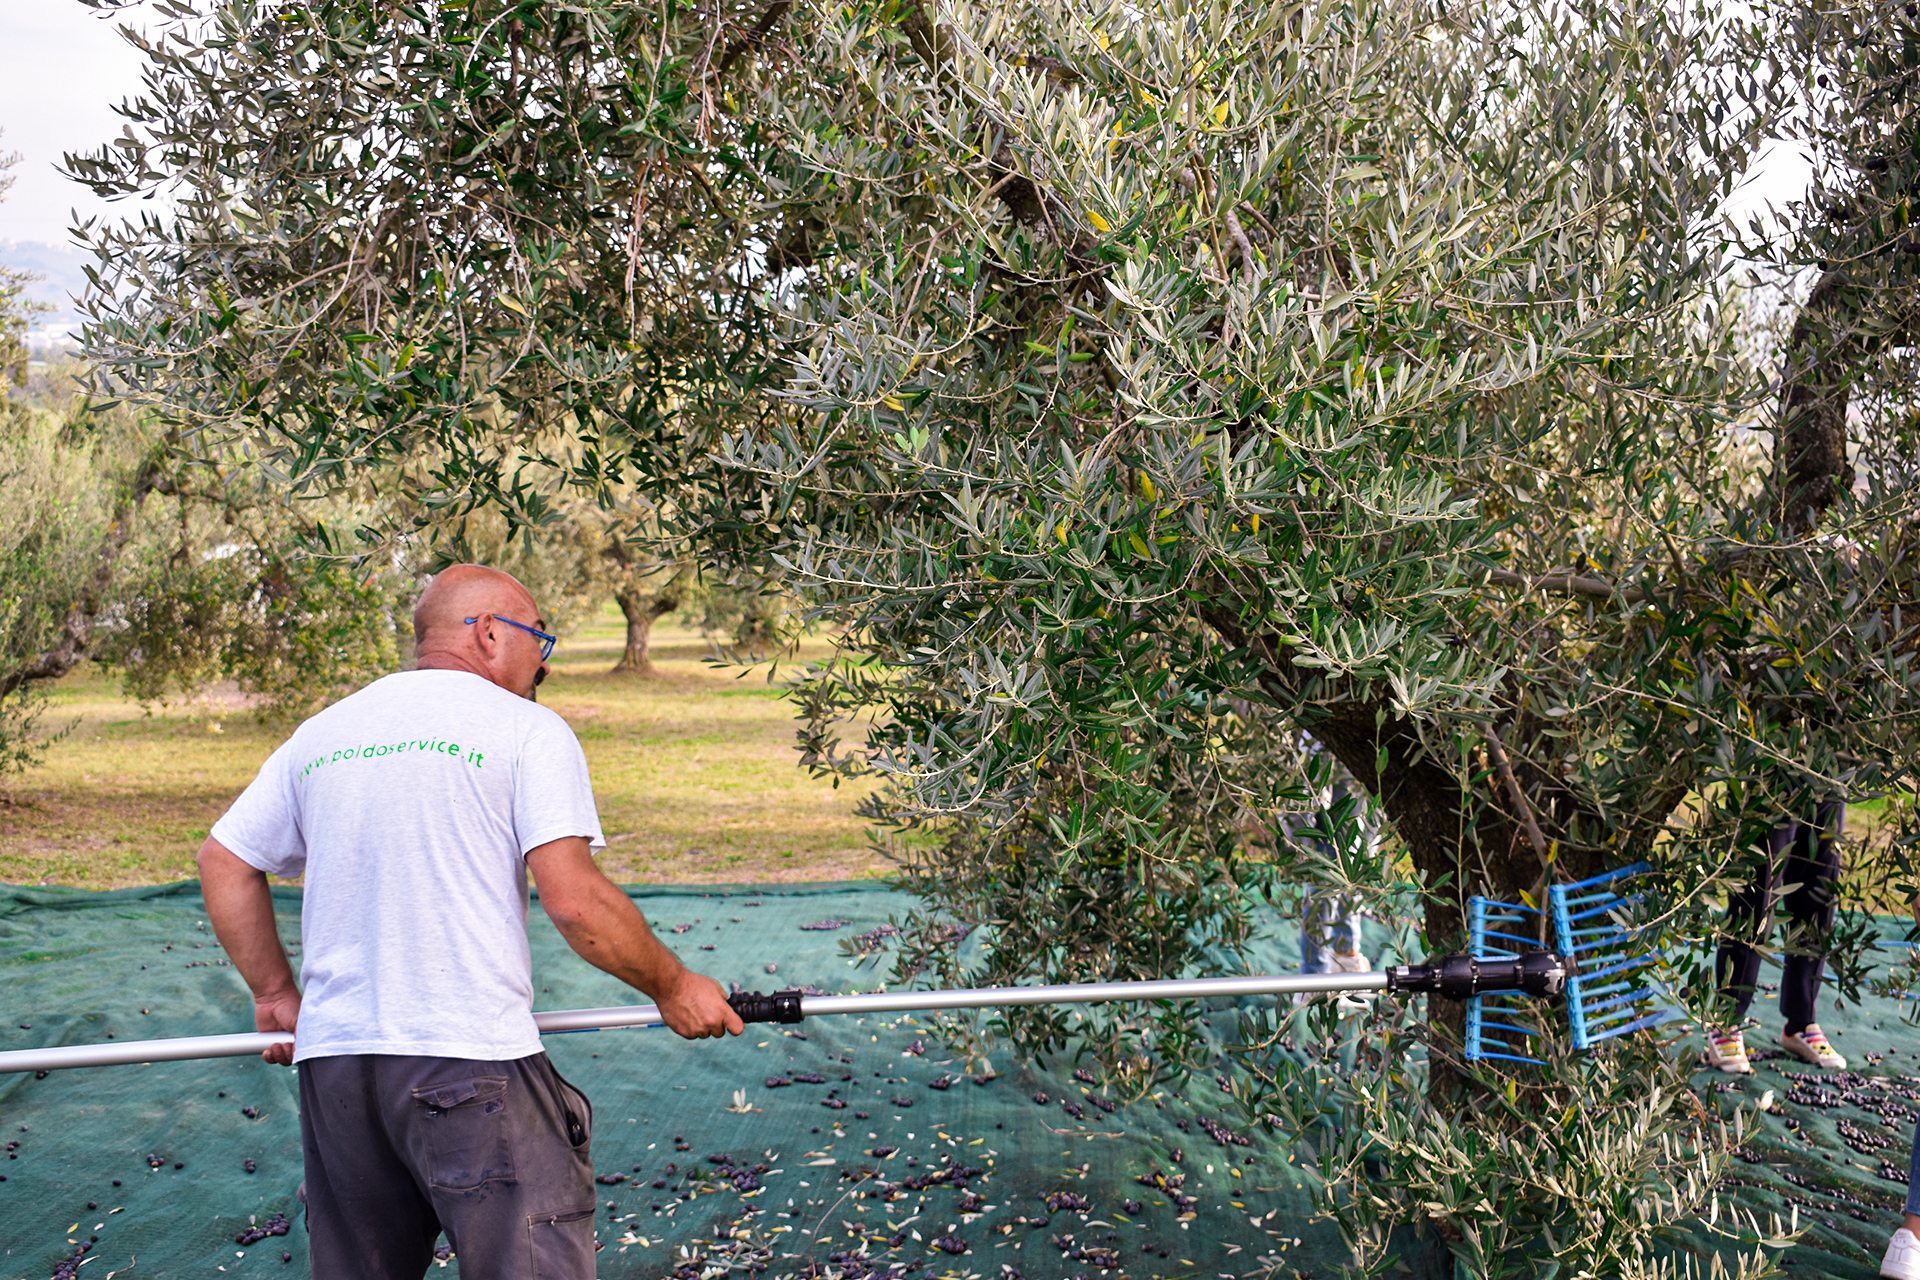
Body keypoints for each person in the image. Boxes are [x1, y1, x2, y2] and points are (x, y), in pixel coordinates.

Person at [197, 564, 743, 1279]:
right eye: (537, 637)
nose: (544, 661)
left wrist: (275, 997)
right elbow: (575, 902)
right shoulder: (526, 730)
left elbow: (224, 859)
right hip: (468, 1062)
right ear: (488, 632)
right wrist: (674, 987)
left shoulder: (324, 734)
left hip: (336, 1070)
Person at [1703, 802, 1847, 1074]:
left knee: (1820, 892)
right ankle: (1726, 1022)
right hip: (1777, 773)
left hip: (1834, 771)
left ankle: (1800, 1023)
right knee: (1757, 892)